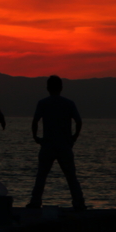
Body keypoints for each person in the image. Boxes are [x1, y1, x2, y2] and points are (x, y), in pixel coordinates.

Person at [26, 75, 86, 210]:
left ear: (48, 88)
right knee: (71, 176)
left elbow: (35, 121)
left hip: (48, 144)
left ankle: (35, 202)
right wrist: (74, 137)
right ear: (61, 88)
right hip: (64, 144)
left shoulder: (43, 103)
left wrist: (36, 137)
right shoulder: (69, 103)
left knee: (41, 175)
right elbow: (78, 121)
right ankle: (79, 203)